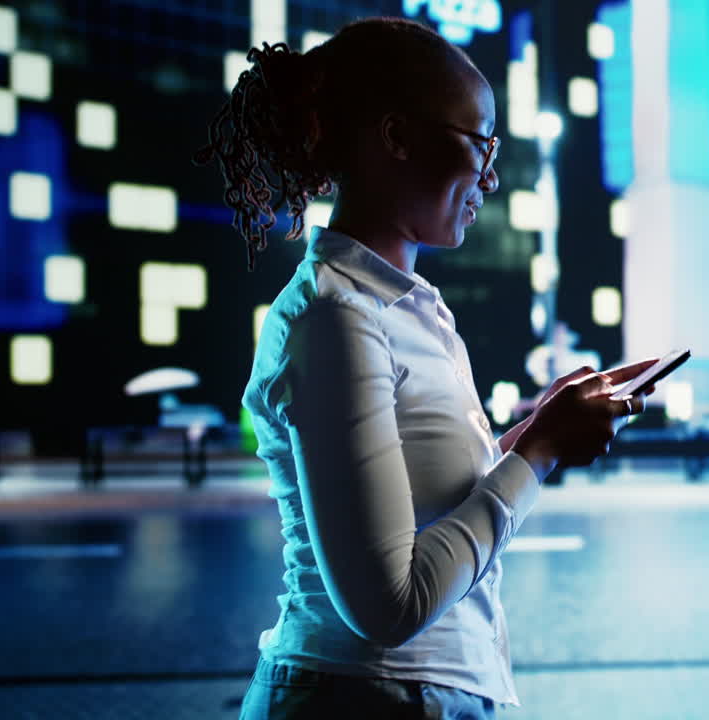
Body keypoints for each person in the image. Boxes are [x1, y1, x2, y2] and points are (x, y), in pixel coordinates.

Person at [196, 17, 658, 719]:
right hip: (366, 698)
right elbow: (389, 606)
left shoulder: (404, 308)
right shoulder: (336, 318)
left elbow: (424, 505)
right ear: (397, 137)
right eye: (481, 144)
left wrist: (537, 432)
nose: (493, 175)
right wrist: (537, 451)